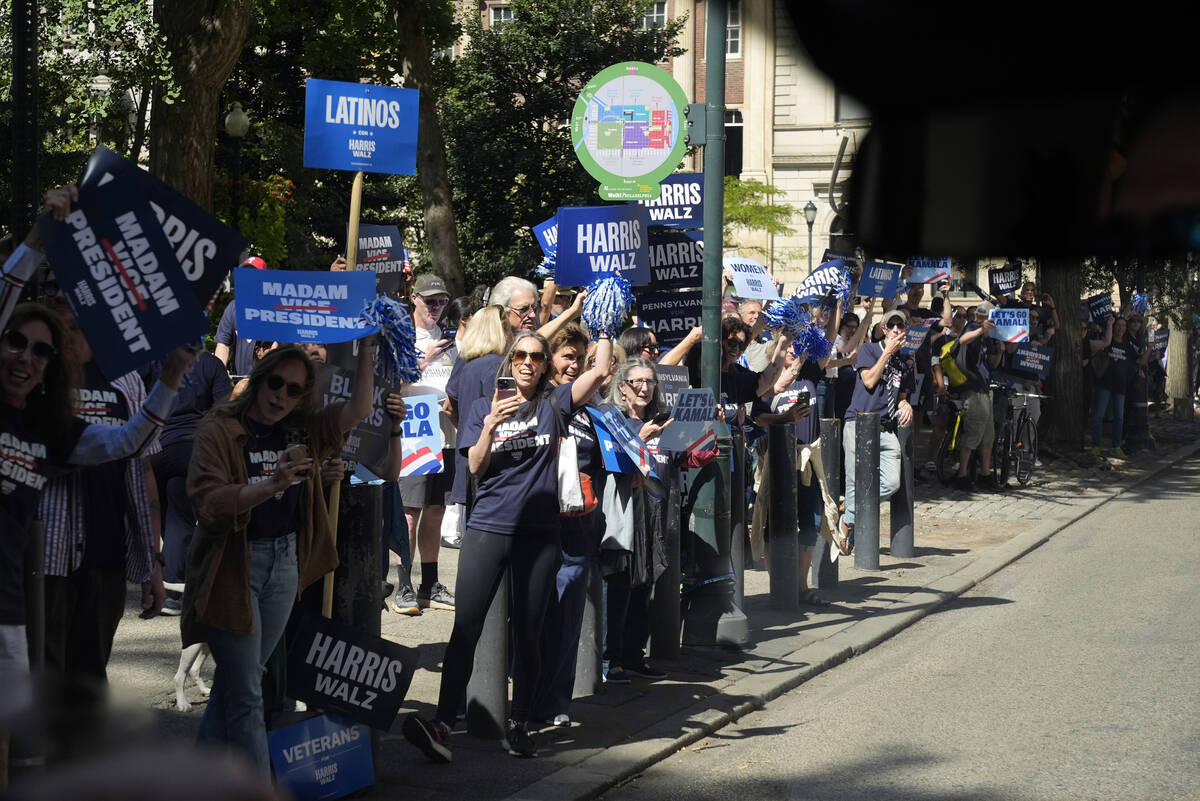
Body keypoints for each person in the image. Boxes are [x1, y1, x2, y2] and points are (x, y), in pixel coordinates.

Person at [403, 328, 613, 761]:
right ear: (509, 360)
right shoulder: (483, 405)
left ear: (544, 366)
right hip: (489, 527)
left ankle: (519, 726)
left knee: (529, 634)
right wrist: (492, 425)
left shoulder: (553, 405)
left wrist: (604, 323)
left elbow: (601, 370)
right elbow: (476, 467)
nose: (528, 363)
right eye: (521, 355)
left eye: (537, 357)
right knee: (466, 627)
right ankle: (443, 723)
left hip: (538, 533)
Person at [183, 335, 377, 773]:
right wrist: (271, 484)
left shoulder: (301, 427)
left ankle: (193, 780)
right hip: (234, 565)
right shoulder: (220, 428)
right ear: (258, 381)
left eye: (294, 390)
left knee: (236, 684)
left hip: (285, 563)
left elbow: (358, 411)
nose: (281, 396)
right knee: (249, 689)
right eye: (275, 384)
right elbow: (209, 502)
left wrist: (366, 351)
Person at [530, 324, 609, 726]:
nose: (574, 364)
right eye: (567, 356)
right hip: (538, 521)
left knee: (567, 616)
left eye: (580, 357)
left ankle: (556, 703)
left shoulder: (594, 410)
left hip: (578, 526)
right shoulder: (540, 400)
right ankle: (526, 700)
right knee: (532, 614)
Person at [600, 357, 674, 685]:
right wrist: (641, 436)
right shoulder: (611, 420)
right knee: (619, 587)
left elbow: (689, 456)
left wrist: (706, 430)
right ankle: (610, 660)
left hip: (655, 513)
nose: (644, 388)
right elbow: (618, 469)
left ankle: (633, 655)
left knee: (645, 586)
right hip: (624, 513)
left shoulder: (664, 420)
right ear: (622, 387)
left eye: (650, 382)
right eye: (637, 382)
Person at [398, 274, 457, 614]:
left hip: (445, 435)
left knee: (436, 510)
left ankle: (429, 583)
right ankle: (403, 584)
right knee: (410, 513)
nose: (436, 307)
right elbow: (391, 381)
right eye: (430, 301)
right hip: (415, 435)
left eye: (442, 302)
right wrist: (423, 360)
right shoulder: (404, 337)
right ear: (415, 299)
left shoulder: (450, 341)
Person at [837, 309, 915, 553]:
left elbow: (902, 396)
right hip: (858, 423)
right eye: (890, 326)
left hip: (886, 427)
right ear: (883, 328)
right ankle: (851, 538)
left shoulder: (907, 361)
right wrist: (888, 353)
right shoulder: (870, 350)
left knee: (892, 482)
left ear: (905, 331)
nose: (894, 330)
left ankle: (847, 519)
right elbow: (869, 380)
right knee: (853, 481)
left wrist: (906, 404)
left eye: (899, 327)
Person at [947, 302, 1002, 491]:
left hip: (985, 390)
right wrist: (980, 330)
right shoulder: (973, 327)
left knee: (987, 437)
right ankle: (962, 475)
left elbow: (992, 364)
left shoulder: (987, 337)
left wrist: (1000, 350)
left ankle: (985, 474)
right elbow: (962, 340)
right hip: (974, 390)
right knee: (973, 433)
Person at [214, 257, 268, 377]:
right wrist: (219, 374)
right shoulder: (233, 308)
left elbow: (278, 347)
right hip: (239, 381)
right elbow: (223, 344)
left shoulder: (274, 309)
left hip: (266, 381)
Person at [1090, 314, 1132, 457]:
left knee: (1119, 417)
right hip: (1104, 383)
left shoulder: (1127, 344)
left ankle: (1116, 445)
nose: (1121, 328)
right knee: (1098, 415)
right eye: (1118, 325)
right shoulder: (1107, 341)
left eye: (1123, 326)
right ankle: (1096, 445)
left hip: (1120, 386)